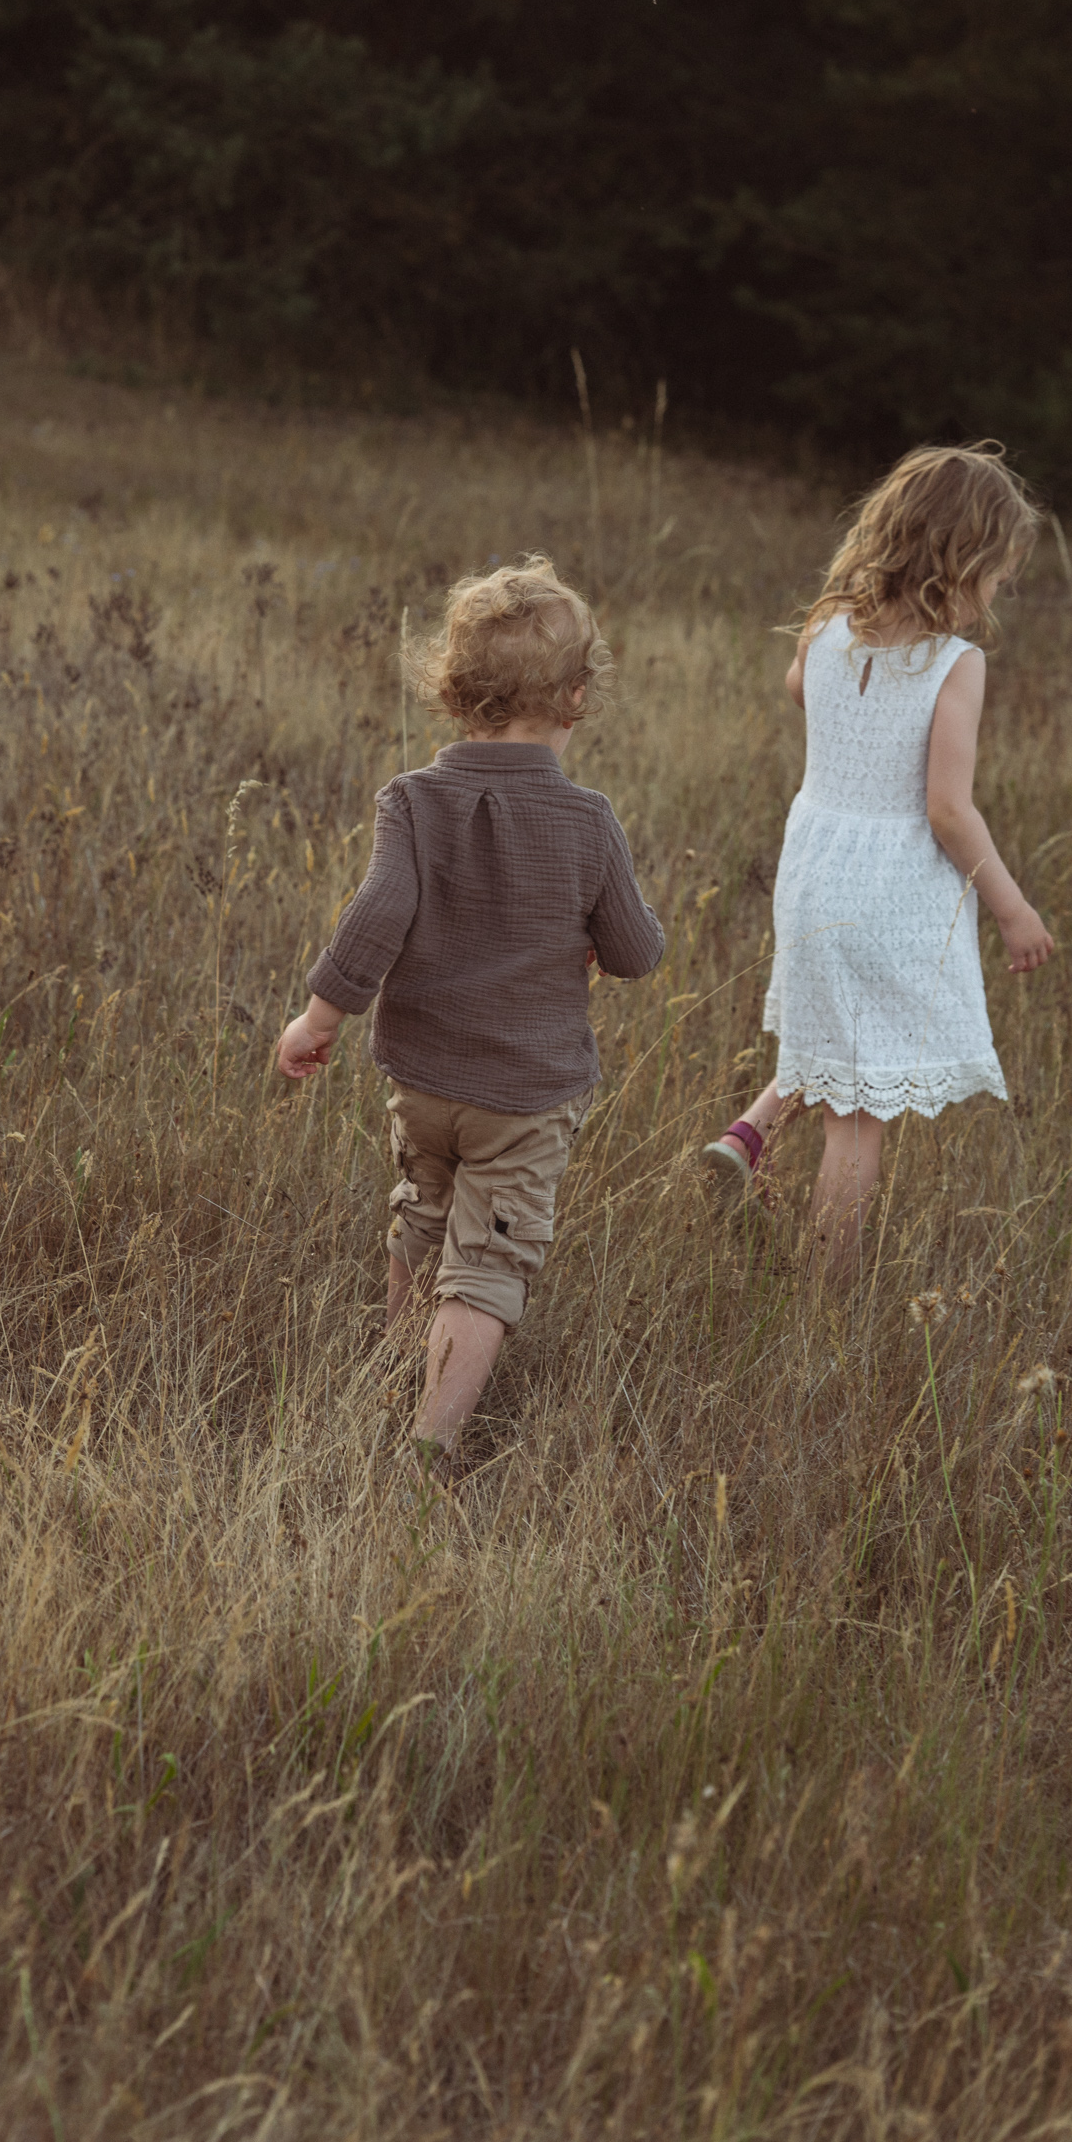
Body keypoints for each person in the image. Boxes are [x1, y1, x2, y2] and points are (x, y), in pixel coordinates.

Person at [276, 555, 664, 1478]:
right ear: (576, 699)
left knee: (420, 1219)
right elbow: (636, 955)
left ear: (452, 692)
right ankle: (426, 1450)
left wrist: (317, 1018)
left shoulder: (409, 801)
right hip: (525, 1097)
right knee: (485, 1267)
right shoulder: (587, 821)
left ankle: (393, 1380)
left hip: (423, 1078)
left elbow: (377, 914)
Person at [703, 442, 1055, 1268]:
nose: (1000, 588)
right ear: (961, 563)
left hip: (813, 872)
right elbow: (946, 807)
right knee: (858, 1120)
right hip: (889, 892)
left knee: (835, 1044)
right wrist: (1011, 907)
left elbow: (797, 690)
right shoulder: (953, 664)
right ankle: (829, 1296)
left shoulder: (825, 627)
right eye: (997, 572)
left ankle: (748, 1134)